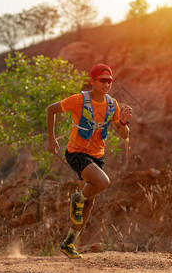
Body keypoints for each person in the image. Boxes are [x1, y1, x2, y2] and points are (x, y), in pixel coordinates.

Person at [46, 63, 133, 259]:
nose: (107, 84)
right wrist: (51, 139)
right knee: (102, 182)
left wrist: (125, 123)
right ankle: (77, 198)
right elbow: (50, 110)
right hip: (76, 152)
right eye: (103, 80)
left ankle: (69, 243)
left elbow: (123, 135)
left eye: (110, 81)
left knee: (89, 203)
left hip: (97, 155)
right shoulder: (79, 100)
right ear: (92, 81)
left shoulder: (112, 104)